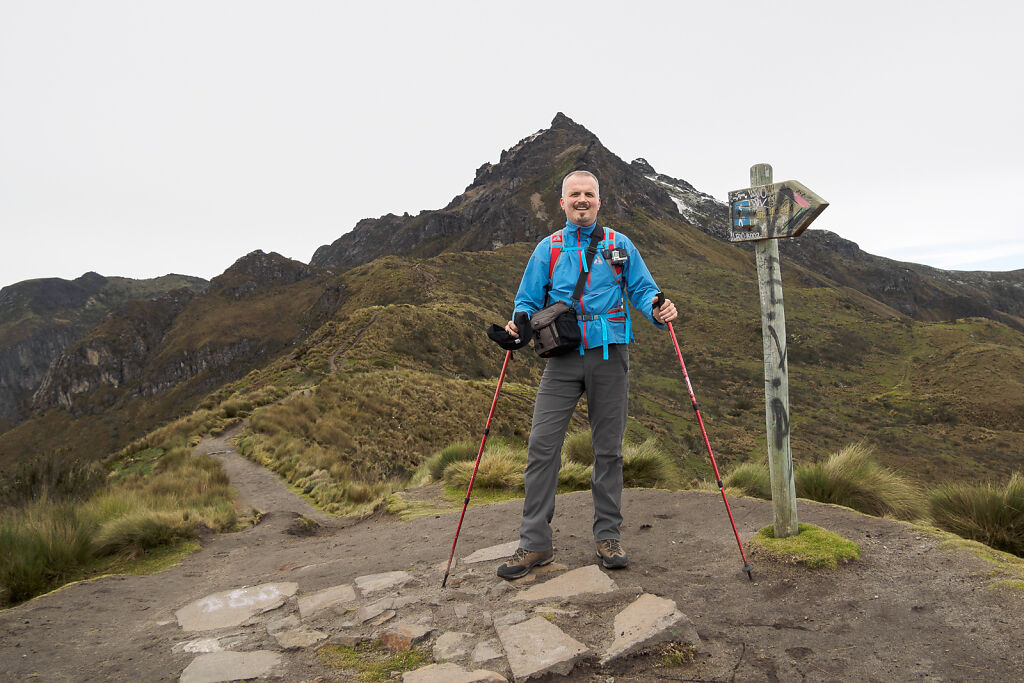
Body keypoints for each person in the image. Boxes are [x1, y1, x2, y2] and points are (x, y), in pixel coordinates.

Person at [497, 169, 677, 579]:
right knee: (542, 448)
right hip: (561, 357)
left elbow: (643, 289)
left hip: (611, 355)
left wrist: (657, 309)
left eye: (589, 194)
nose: (582, 200)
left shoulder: (620, 244)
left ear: (599, 201)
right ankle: (534, 544)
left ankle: (608, 536)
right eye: (574, 194)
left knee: (609, 450)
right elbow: (526, 300)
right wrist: (516, 325)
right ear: (562, 203)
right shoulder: (549, 248)